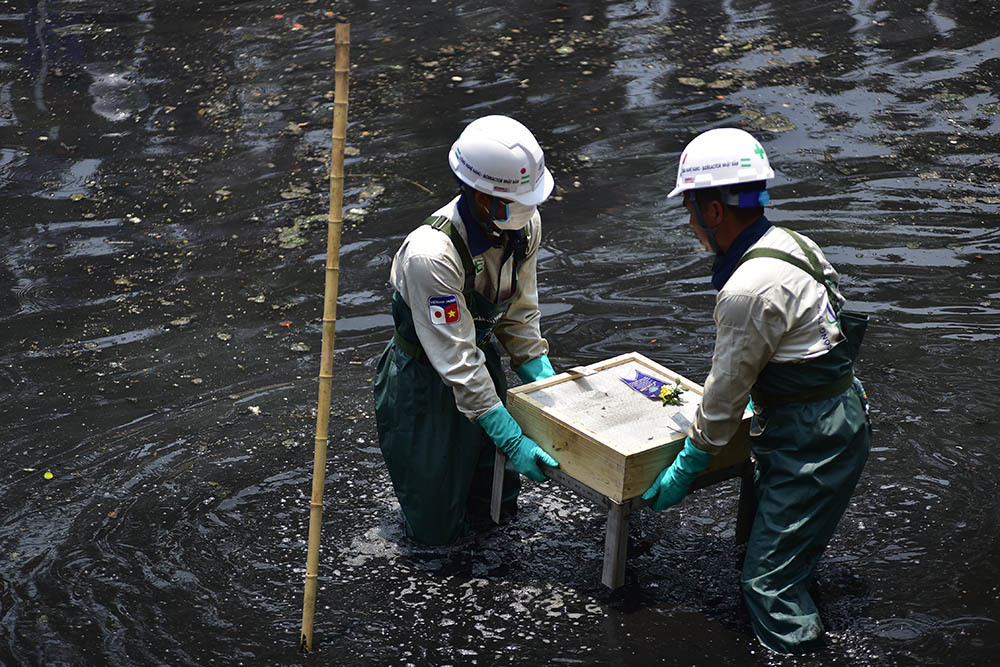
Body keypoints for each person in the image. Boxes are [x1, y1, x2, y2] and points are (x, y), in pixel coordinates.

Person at [641, 127, 872, 653]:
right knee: (760, 550)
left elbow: (722, 398)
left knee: (766, 584)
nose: (690, 226)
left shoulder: (747, 289)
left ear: (714, 211)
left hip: (812, 439)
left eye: (689, 212)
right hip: (833, 412)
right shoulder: (793, 244)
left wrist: (689, 464)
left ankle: (799, 650)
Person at [373, 115, 560, 546]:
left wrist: (545, 384)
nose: (529, 209)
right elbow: (455, 362)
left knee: (497, 507)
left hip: (481, 364)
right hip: (422, 386)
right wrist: (513, 438)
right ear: (480, 196)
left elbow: (519, 312)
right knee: (436, 527)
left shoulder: (523, 225)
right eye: (516, 200)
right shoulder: (431, 255)